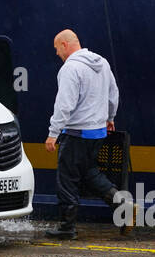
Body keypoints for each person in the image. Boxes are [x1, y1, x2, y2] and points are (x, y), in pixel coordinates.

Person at [43, 29, 126, 239]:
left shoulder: (71, 68)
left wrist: (53, 133)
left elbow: (64, 105)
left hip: (76, 132)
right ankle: (120, 201)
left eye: (56, 49)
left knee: (67, 178)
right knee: (89, 172)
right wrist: (110, 118)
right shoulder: (102, 63)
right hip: (97, 132)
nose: (56, 54)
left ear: (64, 45)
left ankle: (66, 227)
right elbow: (113, 94)